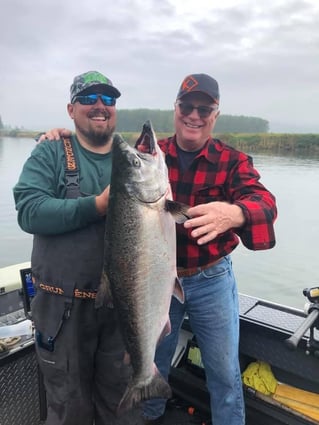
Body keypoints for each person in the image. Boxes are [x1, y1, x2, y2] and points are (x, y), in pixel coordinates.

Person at [38, 73, 277, 425]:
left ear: (215, 114)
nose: (194, 115)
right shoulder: (150, 154)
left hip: (211, 278)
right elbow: (104, 154)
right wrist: (63, 138)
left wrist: (236, 212)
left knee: (225, 374)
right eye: (187, 106)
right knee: (150, 360)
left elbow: (265, 203)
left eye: (204, 108)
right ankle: (149, 416)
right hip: (154, 285)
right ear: (176, 109)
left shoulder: (233, 162)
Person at [13, 71, 143, 425]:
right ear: (71, 109)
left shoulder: (133, 160)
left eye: (108, 99)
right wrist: (96, 206)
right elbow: (29, 211)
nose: (100, 106)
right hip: (61, 312)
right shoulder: (51, 152)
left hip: (121, 310)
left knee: (122, 408)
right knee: (70, 410)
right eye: (88, 99)